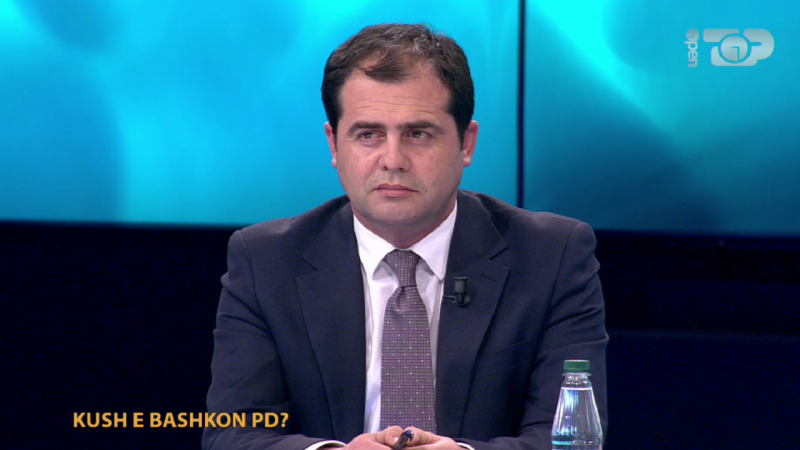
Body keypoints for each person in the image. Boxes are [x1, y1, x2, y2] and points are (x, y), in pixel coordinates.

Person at [203, 23, 607, 450]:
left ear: (466, 143)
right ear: (334, 145)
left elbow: (572, 440)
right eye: (368, 135)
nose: (393, 160)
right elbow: (232, 434)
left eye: (418, 134)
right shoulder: (266, 261)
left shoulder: (552, 256)